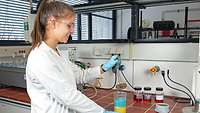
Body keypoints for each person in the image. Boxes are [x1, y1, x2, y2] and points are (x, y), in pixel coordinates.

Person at [25, 0, 119, 113]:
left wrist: (104, 67)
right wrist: (101, 112)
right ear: (52, 23)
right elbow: (68, 96)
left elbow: (79, 75)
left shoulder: (57, 53)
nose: (73, 31)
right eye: (69, 25)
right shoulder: (40, 57)